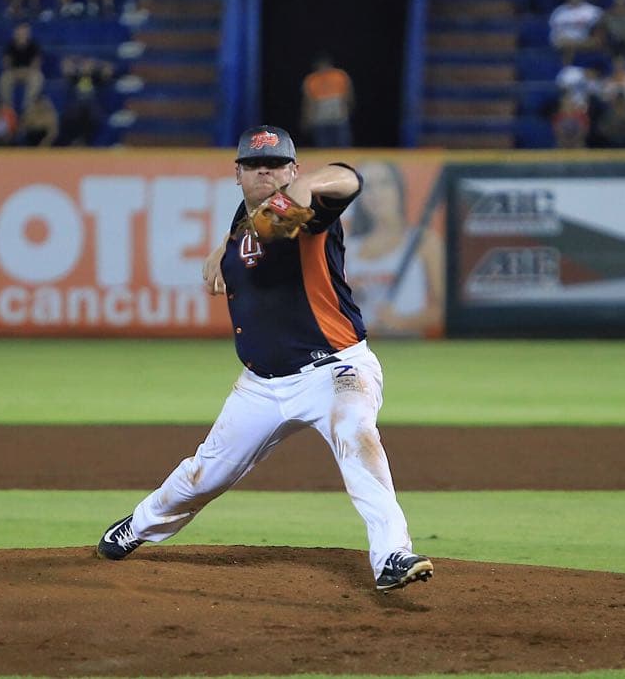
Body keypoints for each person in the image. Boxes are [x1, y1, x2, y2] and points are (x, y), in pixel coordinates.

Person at [95, 125, 434, 594]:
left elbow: (348, 179)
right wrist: (224, 248)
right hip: (260, 385)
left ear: (292, 168)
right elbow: (250, 226)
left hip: (335, 368)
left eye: (276, 164)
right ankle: (139, 524)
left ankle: (392, 554)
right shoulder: (247, 214)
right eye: (255, 165)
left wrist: (309, 184)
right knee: (203, 475)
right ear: (238, 174)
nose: (265, 173)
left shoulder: (306, 208)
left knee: (356, 433)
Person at [342, 161, 444, 337]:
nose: (376, 194)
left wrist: (402, 323)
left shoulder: (424, 241)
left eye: (384, 184)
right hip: (358, 351)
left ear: (399, 190)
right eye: (368, 187)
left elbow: (444, 310)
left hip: (409, 350)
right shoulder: (347, 247)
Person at [300, 53, 354, 148]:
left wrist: (348, 111)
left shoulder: (339, 76)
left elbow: (349, 96)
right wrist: (306, 119)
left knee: (343, 148)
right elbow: (309, 103)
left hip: (339, 119)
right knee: (323, 150)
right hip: (321, 122)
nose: (323, 69)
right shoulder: (312, 80)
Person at [0, 22, 44, 109]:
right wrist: (15, 71)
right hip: (14, 72)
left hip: (29, 72)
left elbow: (37, 64)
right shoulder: (10, 45)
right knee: (4, 78)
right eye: (19, 32)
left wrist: (27, 71)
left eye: (24, 32)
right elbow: (6, 64)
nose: (22, 35)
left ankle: (28, 107)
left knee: (38, 77)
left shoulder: (34, 45)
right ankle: (7, 108)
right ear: (15, 33)